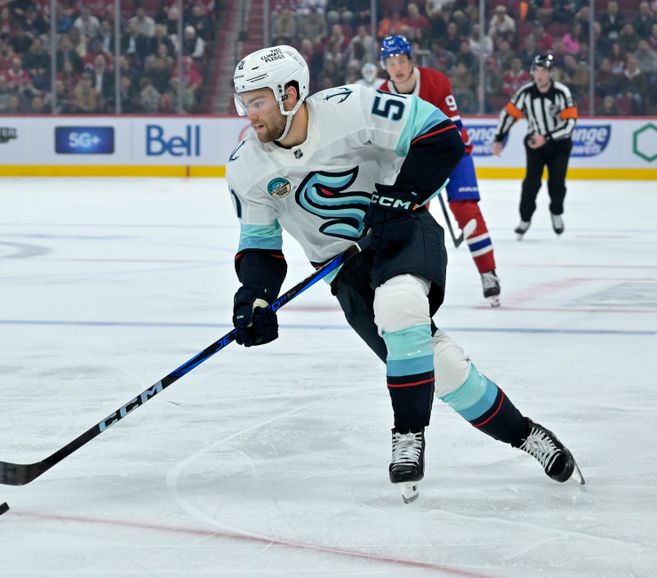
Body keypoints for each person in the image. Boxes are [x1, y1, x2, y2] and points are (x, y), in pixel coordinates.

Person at [226, 45, 583, 504]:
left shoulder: (351, 107)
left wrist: (402, 197)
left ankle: (407, 435)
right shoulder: (246, 167)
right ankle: (528, 434)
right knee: (446, 370)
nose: (247, 114)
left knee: (399, 309)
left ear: (290, 93)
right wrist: (254, 295)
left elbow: (441, 136)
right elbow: (260, 246)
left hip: (401, 230)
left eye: (256, 101)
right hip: (345, 273)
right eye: (243, 102)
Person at [377, 35, 501, 307]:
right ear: (384, 65)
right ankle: (416, 280)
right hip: (419, 160)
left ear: (411, 61)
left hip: (455, 153)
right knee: (415, 218)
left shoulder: (436, 81)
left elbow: (453, 131)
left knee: (466, 210)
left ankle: (488, 272)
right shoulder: (382, 94)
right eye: (390, 62)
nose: (397, 67)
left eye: (401, 60)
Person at [492, 54, 577, 239]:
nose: (540, 75)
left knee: (557, 183)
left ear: (550, 73)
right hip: (535, 145)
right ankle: (525, 218)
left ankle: (556, 212)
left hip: (559, 145)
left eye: (544, 71)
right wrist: (498, 138)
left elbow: (570, 123)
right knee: (531, 183)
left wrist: (546, 137)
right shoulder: (526, 92)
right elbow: (509, 115)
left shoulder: (562, 92)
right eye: (537, 70)